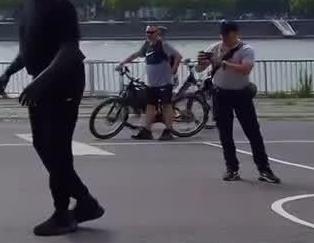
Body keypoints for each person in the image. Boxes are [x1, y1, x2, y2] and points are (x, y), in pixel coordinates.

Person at [0, 0, 102, 236]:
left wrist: (40, 82)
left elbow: (68, 49)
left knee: (58, 149)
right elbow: (28, 49)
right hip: (41, 84)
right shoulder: (27, 6)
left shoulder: (59, 4)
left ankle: (62, 213)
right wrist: (8, 72)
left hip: (64, 84)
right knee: (43, 146)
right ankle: (86, 202)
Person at [197, 20, 280, 183]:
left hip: (241, 94)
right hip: (221, 94)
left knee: (253, 133)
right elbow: (199, 69)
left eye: (227, 35)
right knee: (225, 134)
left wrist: (223, 63)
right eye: (222, 35)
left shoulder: (246, 50)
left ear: (235, 33)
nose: (224, 39)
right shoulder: (214, 48)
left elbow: (245, 69)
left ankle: (264, 169)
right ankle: (232, 169)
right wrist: (201, 62)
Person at [116, 25, 182, 140]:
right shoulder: (147, 45)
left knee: (166, 106)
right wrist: (123, 63)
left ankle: (168, 131)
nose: (149, 35)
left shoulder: (163, 45)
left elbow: (178, 56)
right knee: (150, 106)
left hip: (164, 82)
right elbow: (136, 55)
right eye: (147, 32)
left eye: (151, 32)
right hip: (152, 83)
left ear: (157, 33)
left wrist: (173, 69)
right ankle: (147, 131)